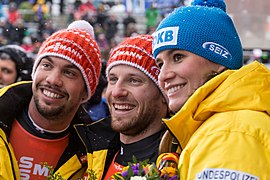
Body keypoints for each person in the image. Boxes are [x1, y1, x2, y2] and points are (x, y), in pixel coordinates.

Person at [152, 0, 270, 179]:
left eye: (178, 57)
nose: (163, 75)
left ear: (218, 60)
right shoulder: (218, 125)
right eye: (160, 64)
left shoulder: (230, 133)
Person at [0, 20, 103, 179]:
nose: (53, 80)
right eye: (47, 65)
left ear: (85, 92)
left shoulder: (96, 158)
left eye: (69, 73)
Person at [102, 34, 169, 179]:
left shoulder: (174, 164)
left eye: (134, 80)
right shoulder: (88, 148)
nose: (117, 92)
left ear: (164, 94)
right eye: (113, 79)